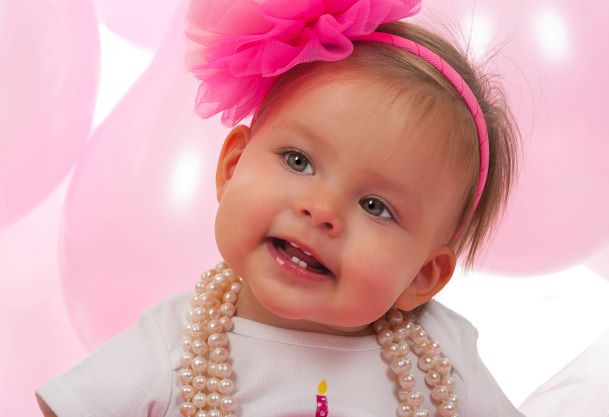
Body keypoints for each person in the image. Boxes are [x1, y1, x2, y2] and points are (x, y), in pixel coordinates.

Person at [36, 0, 524, 416]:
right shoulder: (176, 346)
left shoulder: (438, 352)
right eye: (298, 161)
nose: (321, 209)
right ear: (233, 165)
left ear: (423, 275)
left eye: (375, 206)